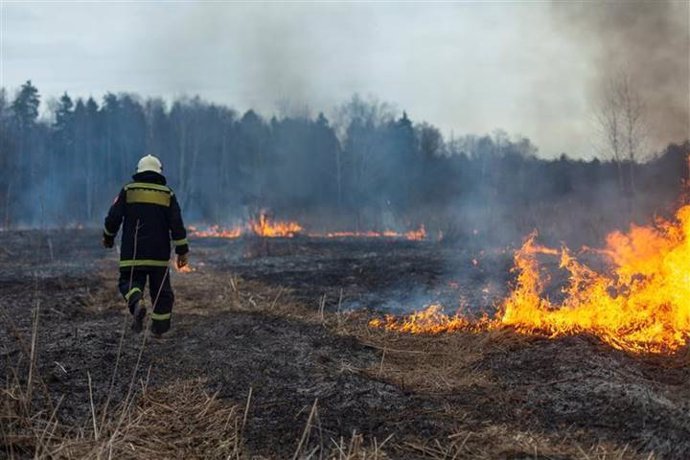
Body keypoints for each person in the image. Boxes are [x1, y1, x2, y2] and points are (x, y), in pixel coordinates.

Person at [102, 154, 189, 336]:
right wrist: (182, 251)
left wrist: (108, 237)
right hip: (158, 256)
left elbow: (113, 217)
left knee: (129, 282)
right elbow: (177, 224)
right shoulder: (167, 194)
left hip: (132, 254)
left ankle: (136, 300)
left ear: (139, 172)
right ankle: (159, 330)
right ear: (159, 173)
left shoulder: (128, 190)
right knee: (162, 294)